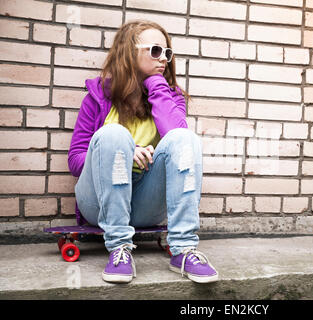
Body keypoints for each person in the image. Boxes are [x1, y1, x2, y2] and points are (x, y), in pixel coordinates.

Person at [68, 20, 218, 284]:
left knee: (185, 138)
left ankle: (183, 250)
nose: (164, 59)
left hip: (144, 205)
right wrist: (122, 154)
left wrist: (157, 86)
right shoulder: (98, 96)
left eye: (168, 54)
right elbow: (76, 160)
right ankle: (118, 249)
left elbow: (177, 137)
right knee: (114, 135)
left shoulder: (169, 97)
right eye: (156, 51)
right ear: (129, 51)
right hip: (100, 204)